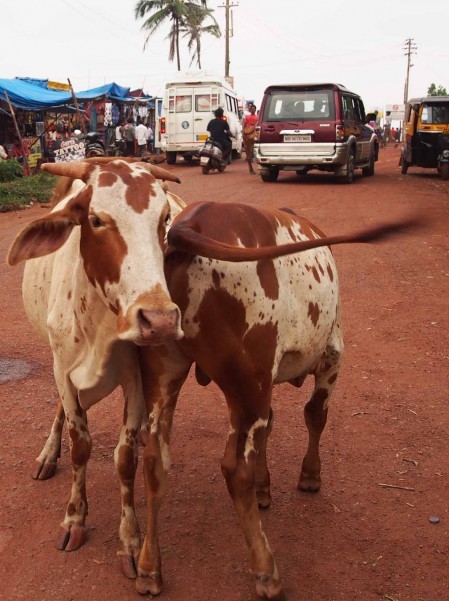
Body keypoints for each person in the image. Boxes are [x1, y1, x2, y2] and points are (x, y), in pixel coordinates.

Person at [242, 104, 259, 174]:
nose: (253, 110)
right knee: (248, 150)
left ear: (255, 109)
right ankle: (250, 169)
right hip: (248, 133)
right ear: (250, 110)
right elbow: (244, 124)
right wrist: (243, 131)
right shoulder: (247, 117)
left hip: (255, 132)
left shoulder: (258, 117)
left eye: (254, 109)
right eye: (252, 109)